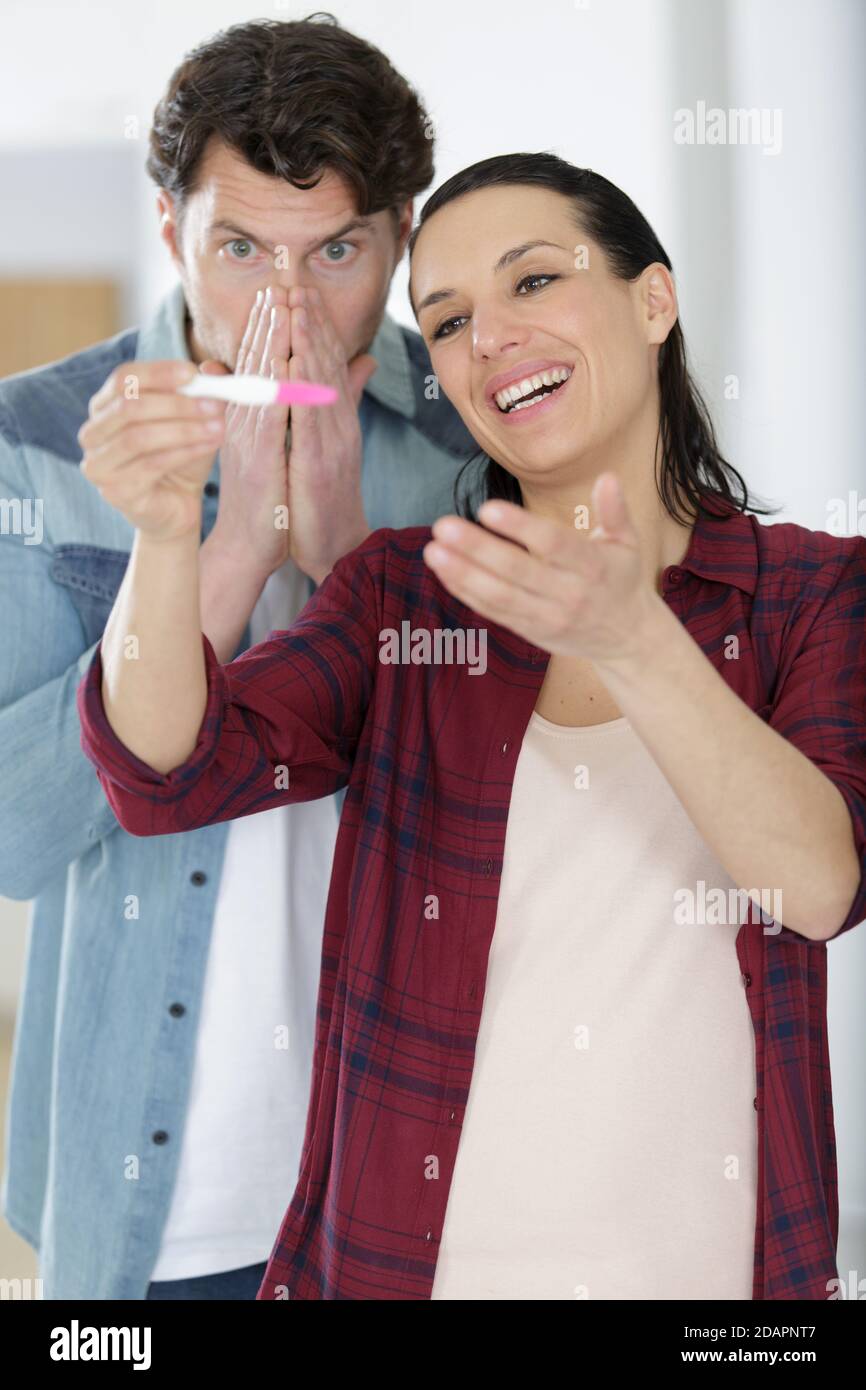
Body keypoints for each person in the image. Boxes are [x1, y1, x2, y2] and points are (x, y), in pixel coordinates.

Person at [76, 153, 866, 1301]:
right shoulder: (409, 597)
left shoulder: (812, 594)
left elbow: (817, 885)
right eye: (446, 320)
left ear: (653, 299)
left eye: (533, 282)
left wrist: (633, 639)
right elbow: (163, 773)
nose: (486, 337)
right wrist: (163, 537)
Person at [0, 15, 476, 1301]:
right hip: (139, 1189)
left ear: (399, 240)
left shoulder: (468, 439)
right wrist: (227, 560)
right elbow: (9, 834)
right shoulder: (34, 441)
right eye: (239, 249)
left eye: (335, 250)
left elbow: (495, 805)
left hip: (416, 1170)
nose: (285, 307)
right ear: (169, 231)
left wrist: (338, 554)